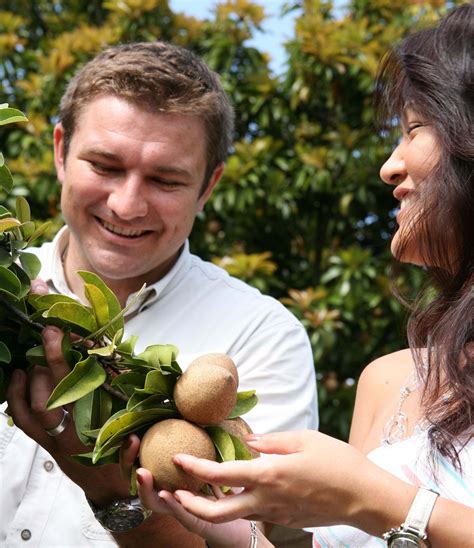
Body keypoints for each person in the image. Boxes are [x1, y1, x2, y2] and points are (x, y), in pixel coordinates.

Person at [136, 4, 474, 547]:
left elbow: (369, 503)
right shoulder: (387, 380)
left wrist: (373, 500)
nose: (390, 165)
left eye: (414, 129)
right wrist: (224, 531)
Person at [0, 42, 318, 547]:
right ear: (60, 151)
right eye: (104, 166)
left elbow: (254, 541)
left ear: (208, 186)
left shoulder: (262, 335)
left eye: (165, 179)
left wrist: (113, 494)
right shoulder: (7, 287)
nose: (126, 206)